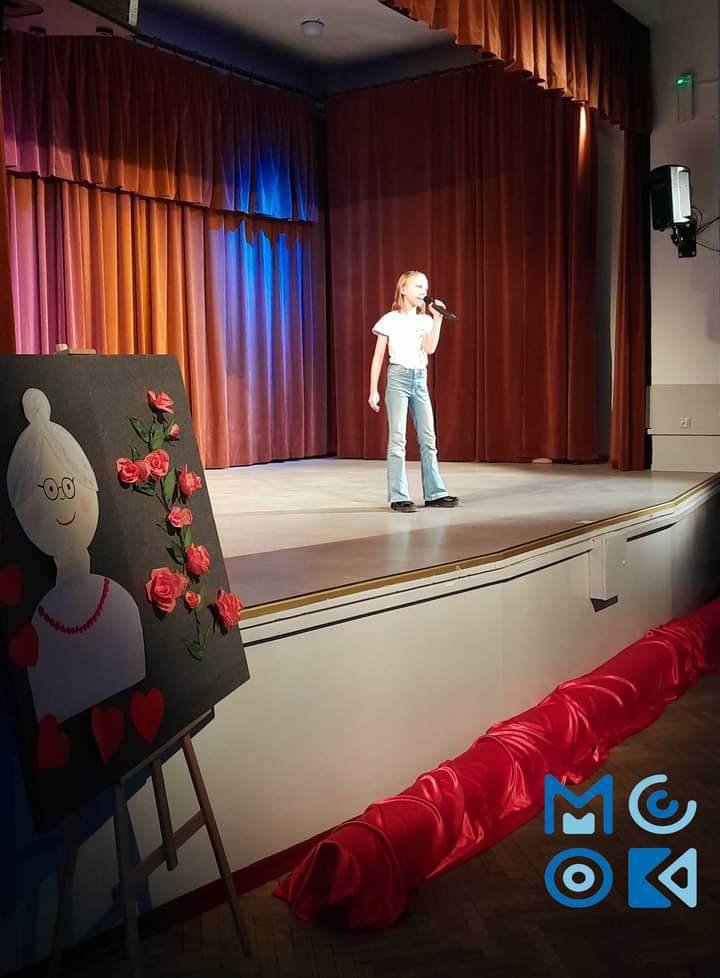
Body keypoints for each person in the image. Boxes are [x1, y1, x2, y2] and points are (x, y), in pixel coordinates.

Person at [368, 270, 459, 513]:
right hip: (398, 378)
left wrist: (437, 320)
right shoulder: (390, 319)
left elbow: (429, 349)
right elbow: (378, 356)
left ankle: (435, 493)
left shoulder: (425, 320)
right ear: (403, 289)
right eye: (418, 286)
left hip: (419, 379)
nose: (423, 292)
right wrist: (373, 389)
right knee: (398, 439)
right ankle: (399, 496)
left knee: (428, 438)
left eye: (425, 288)